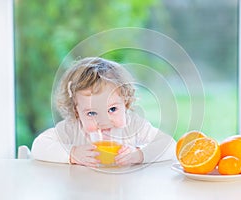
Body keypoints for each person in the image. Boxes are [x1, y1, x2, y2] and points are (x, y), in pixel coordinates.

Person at [31, 57, 176, 167]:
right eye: (92, 113)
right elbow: (38, 146)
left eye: (112, 109)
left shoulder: (133, 125)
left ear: (125, 103)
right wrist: (72, 154)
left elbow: (170, 146)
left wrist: (139, 155)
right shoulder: (73, 127)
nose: (104, 121)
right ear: (77, 111)